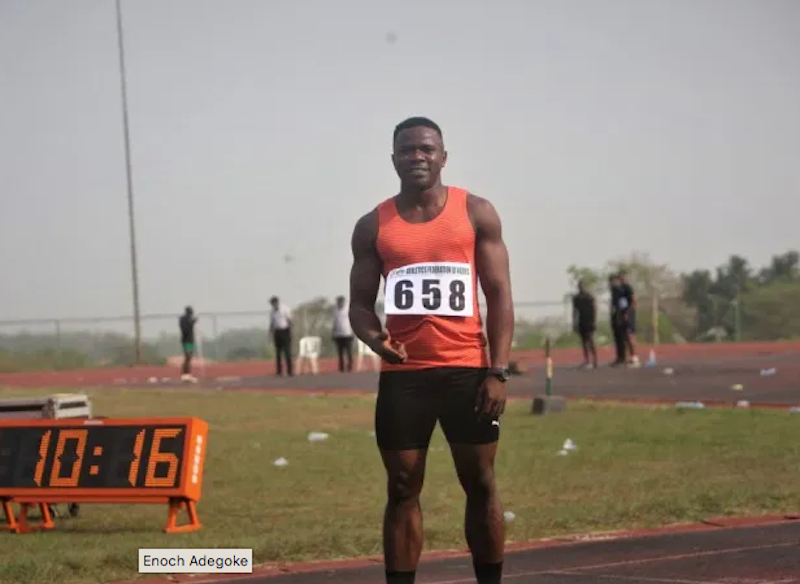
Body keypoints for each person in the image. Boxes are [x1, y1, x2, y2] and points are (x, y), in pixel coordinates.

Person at [348, 116, 514, 584]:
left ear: (443, 156)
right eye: (407, 150)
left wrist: (498, 371)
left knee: (480, 483)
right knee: (402, 488)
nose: (417, 157)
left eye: (426, 149)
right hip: (406, 379)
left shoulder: (476, 212)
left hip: (468, 372)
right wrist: (373, 337)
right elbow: (359, 306)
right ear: (394, 159)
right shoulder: (372, 226)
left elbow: (498, 293)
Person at [572, 281, 597, 369]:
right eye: (580, 286)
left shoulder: (589, 296)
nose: (581, 287)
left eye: (582, 286)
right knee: (584, 342)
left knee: (590, 340)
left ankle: (594, 360)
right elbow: (574, 311)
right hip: (581, 321)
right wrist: (574, 323)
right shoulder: (576, 298)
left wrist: (594, 321)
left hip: (589, 321)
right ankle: (587, 360)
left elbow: (594, 308)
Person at [618, 270, 640, 367]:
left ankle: (635, 358)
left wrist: (628, 313)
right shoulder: (619, 288)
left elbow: (634, 301)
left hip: (629, 314)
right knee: (625, 338)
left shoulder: (628, 287)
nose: (621, 278)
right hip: (622, 314)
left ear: (625, 276)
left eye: (623, 276)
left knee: (630, 336)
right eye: (620, 276)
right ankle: (628, 358)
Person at [269, 296, 293, 376]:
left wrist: (290, 332)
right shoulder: (272, 311)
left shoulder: (285, 309)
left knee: (287, 352)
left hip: (285, 330)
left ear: (277, 302)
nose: (273, 305)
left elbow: (289, 320)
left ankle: (290, 371)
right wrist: (270, 333)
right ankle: (279, 371)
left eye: (274, 303)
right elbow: (272, 323)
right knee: (278, 353)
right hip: (277, 332)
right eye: (272, 304)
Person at [332, 295, 354, 372]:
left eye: (341, 301)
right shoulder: (335, 311)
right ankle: (341, 368)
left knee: (349, 352)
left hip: (347, 334)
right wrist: (333, 333)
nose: (340, 303)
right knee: (340, 353)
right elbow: (334, 323)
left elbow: (353, 322)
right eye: (338, 301)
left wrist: (353, 332)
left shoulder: (348, 310)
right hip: (338, 335)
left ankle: (350, 367)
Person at [609, 274, 627, 366]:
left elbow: (623, 304)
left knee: (620, 338)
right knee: (617, 338)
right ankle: (619, 357)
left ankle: (622, 358)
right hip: (616, 316)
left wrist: (620, 315)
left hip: (618, 317)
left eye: (611, 281)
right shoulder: (614, 290)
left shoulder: (617, 290)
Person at [178, 306, 197, 380]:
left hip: (187, 340)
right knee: (188, 356)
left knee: (188, 357)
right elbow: (186, 327)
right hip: (188, 340)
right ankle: (185, 373)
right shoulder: (185, 319)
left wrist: (193, 322)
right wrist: (193, 322)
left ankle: (186, 372)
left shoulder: (184, 319)